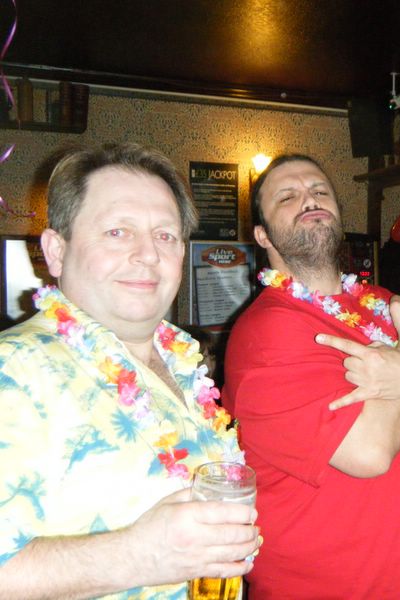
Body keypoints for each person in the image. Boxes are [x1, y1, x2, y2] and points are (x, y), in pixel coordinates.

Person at [223, 154, 400, 599]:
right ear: (262, 235)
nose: (309, 199)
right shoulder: (266, 333)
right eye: (287, 197)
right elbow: (370, 453)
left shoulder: (379, 302)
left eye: (320, 191)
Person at [0, 143, 261, 598]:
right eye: (118, 232)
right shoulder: (15, 368)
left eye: (165, 235)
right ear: (56, 251)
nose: (147, 254)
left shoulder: (184, 362)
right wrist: (138, 555)